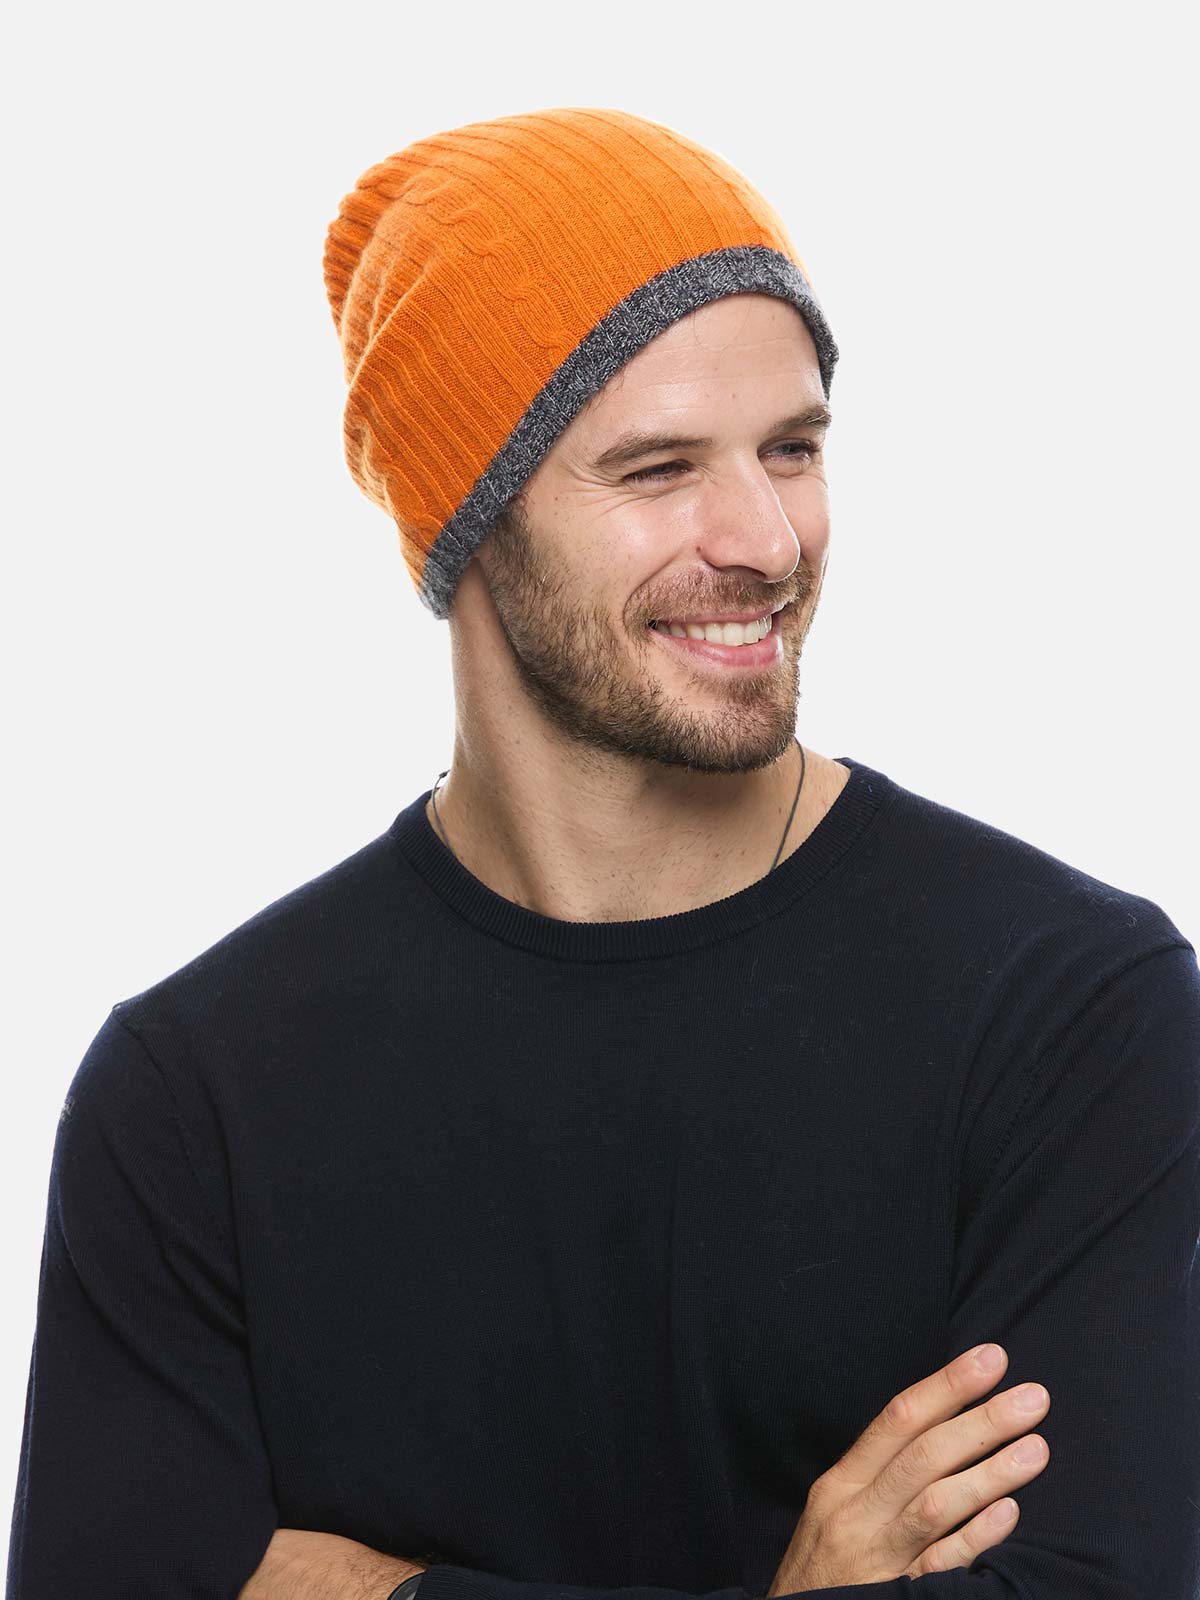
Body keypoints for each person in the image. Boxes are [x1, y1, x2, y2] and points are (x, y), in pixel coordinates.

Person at [6, 105, 1198, 1600]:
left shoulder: (1072, 1011)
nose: (765, 539)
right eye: (657, 470)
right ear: (466, 513)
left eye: (793, 448)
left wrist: (383, 1593)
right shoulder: (194, 1098)